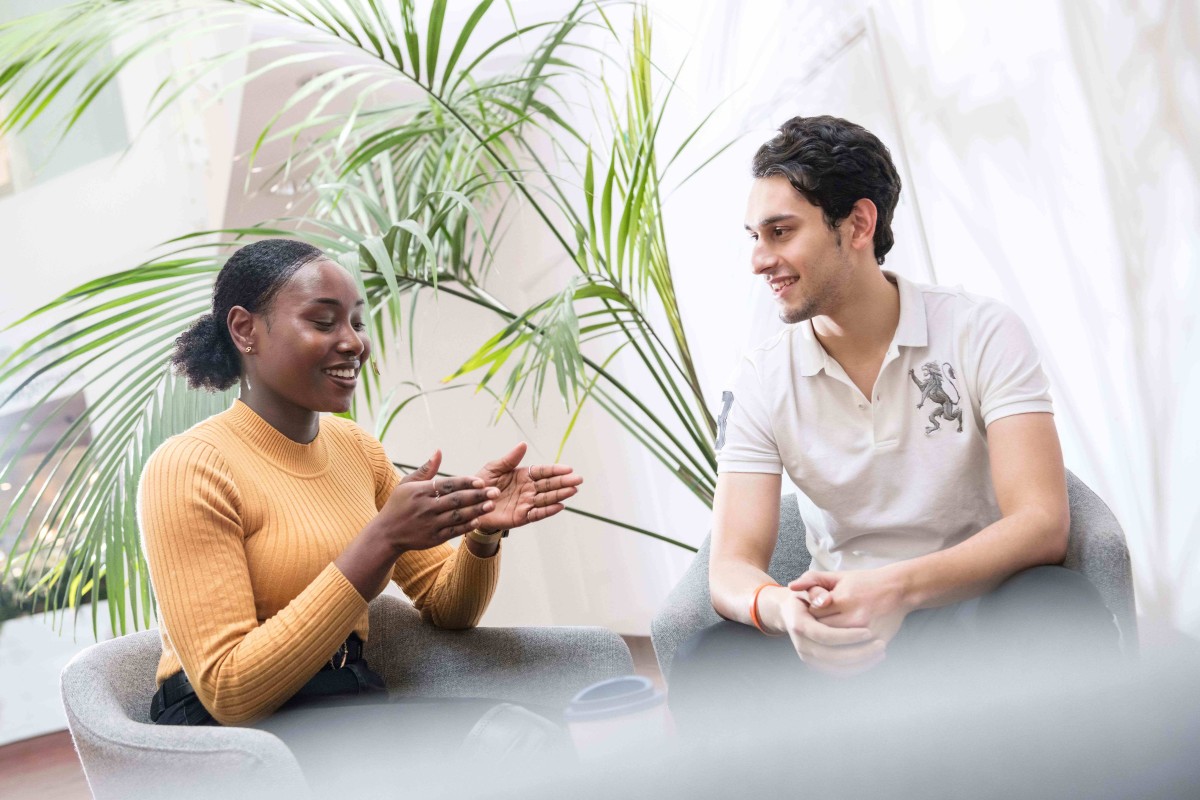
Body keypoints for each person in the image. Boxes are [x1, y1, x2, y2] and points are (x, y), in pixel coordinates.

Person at [668, 116, 1120, 732]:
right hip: (844, 645)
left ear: (857, 224)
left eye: (780, 232)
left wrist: (895, 589)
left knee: (1058, 608)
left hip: (970, 614)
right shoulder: (761, 379)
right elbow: (731, 566)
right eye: (754, 235)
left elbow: (1042, 524)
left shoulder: (981, 331)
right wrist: (782, 610)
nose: (758, 260)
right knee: (710, 665)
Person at [138, 239, 582, 785]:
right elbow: (230, 691)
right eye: (323, 322)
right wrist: (383, 541)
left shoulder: (356, 450)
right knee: (517, 745)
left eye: (355, 322)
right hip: (228, 741)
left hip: (346, 702)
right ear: (245, 330)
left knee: (549, 733)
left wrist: (481, 536)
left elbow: (448, 609)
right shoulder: (189, 467)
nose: (353, 343)